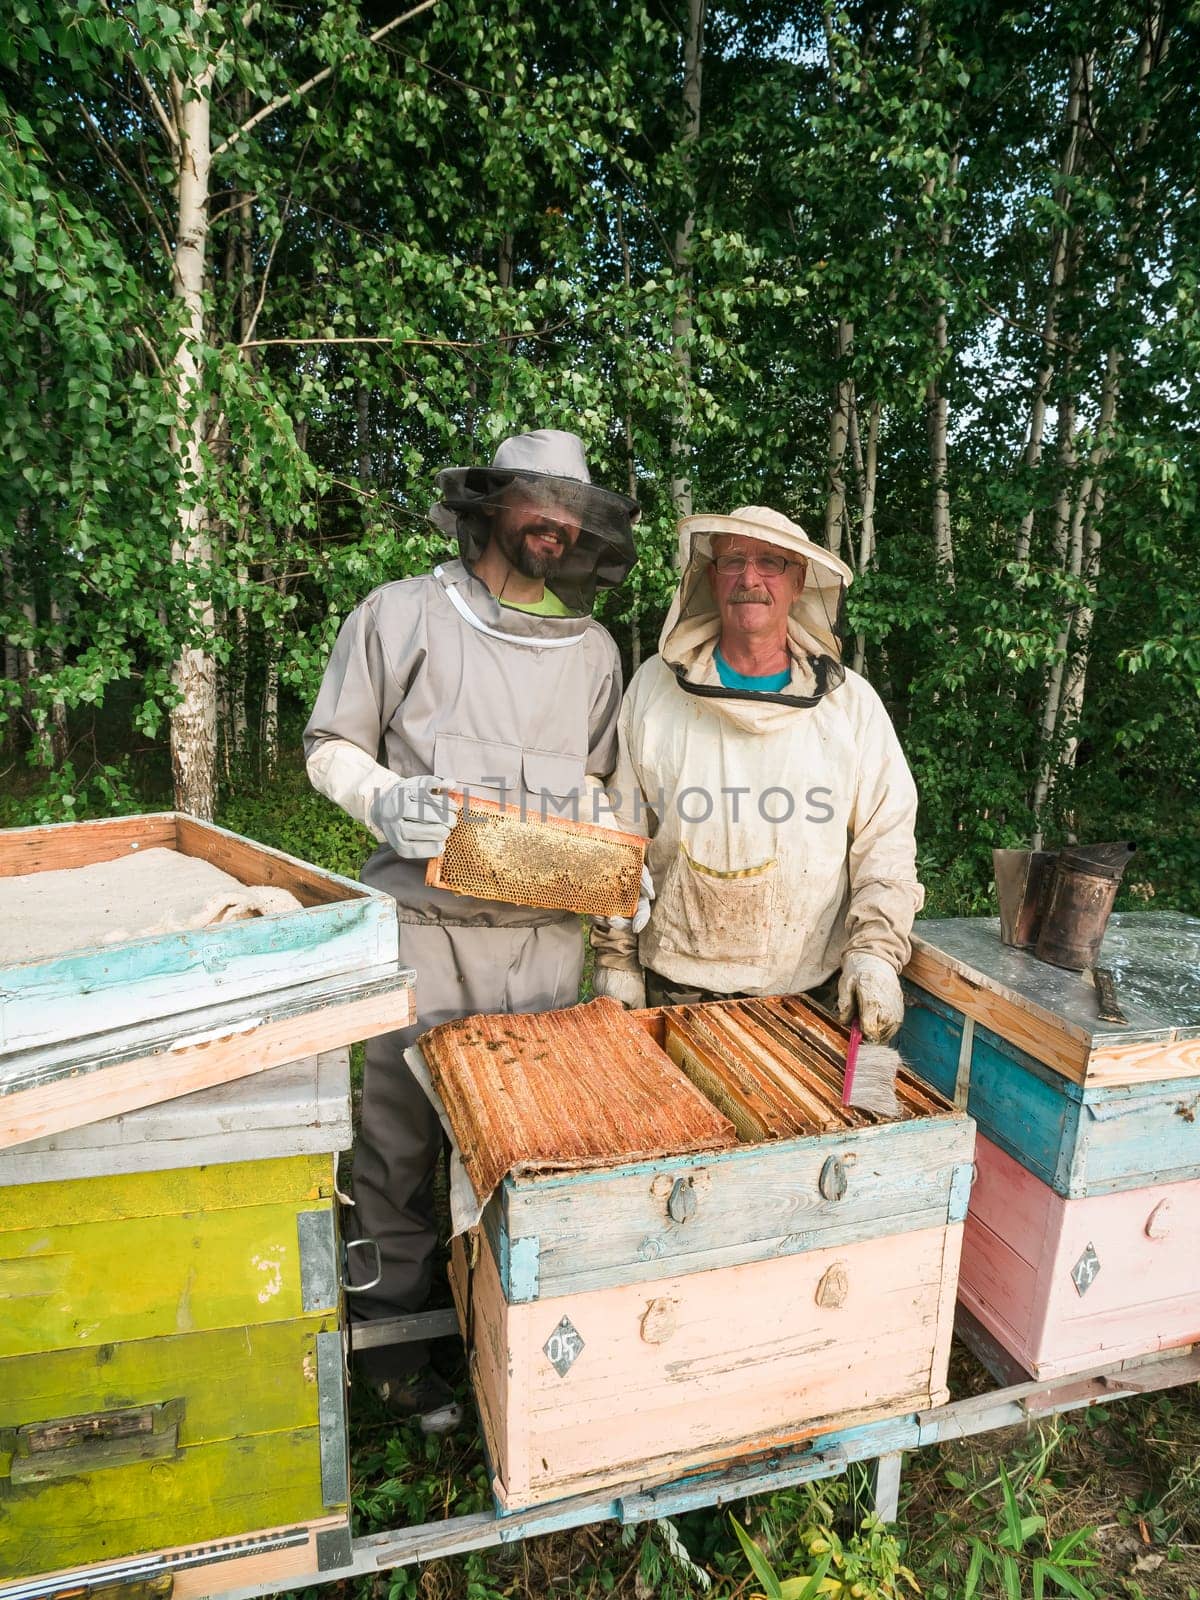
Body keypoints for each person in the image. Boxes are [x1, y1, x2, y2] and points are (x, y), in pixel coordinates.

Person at [304, 430, 639, 1430]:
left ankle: (492, 1326)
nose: (556, 521)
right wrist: (379, 799)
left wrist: (623, 872)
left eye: (572, 508)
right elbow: (330, 742)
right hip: (423, 928)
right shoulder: (402, 613)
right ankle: (392, 1337)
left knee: (519, 1144)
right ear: (490, 502)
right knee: (401, 1142)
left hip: (541, 945)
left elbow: (594, 787)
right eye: (537, 499)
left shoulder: (592, 651)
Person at [591, 505, 922, 1042]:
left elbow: (885, 841)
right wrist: (617, 956)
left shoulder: (851, 706)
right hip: (673, 982)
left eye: (771, 563)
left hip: (808, 987)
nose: (750, 579)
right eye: (733, 562)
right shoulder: (653, 688)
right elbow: (620, 832)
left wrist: (876, 954)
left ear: (799, 583)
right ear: (710, 577)